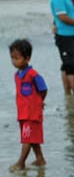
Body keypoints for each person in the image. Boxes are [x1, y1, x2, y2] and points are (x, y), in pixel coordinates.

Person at [10, 39, 47, 170]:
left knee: (27, 139)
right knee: (32, 138)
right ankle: (40, 159)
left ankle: (21, 162)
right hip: (23, 112)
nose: (14, 61)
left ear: (27, 58)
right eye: (12, 58)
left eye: (17, 58)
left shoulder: (33, 75)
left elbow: (43, 89)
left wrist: (39, 102)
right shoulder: (17, 75)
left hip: (32, 113)